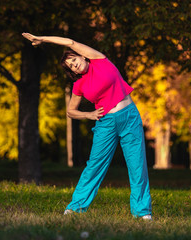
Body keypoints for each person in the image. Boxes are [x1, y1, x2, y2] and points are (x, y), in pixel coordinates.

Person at [22, 33, 152, 220]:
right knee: (94, 166)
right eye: (71, 66)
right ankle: (76, 207)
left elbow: (70, 42)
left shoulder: (99, 60)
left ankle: (142, 212)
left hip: (129, 116)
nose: (74, 64)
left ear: (81, 55)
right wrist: (88, 115)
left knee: (137, 165)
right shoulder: (79, 84)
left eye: (74, 59)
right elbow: (70, 111)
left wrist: (43, 39)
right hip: (105, 122)